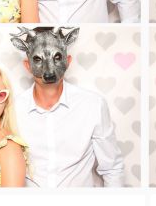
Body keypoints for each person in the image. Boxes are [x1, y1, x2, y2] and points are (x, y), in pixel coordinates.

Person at [12, 26, 124, 187]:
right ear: (28, 65)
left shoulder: (92, 105)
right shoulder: (12, 109)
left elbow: (112, 169)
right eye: (38, 59)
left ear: (68, 61)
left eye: (57, 57)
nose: (48, 71)